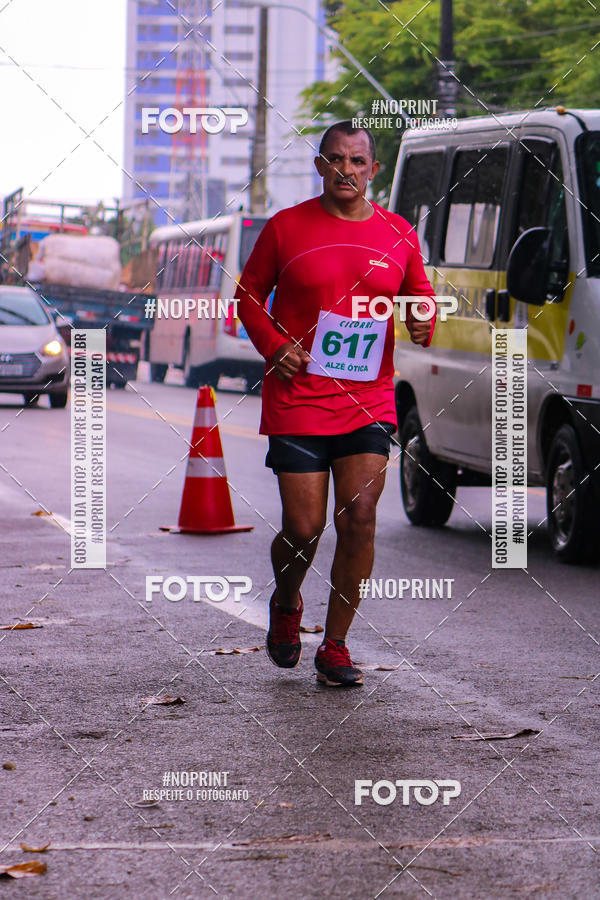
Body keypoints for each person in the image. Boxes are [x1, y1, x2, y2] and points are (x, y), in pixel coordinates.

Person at [235, 121, 435, 687]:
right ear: (320, 167)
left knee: (361, 517)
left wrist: (423, 317)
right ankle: (287, 599)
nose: (346, 170)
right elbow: (249, 296)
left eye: (357, 161)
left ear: (373, 170)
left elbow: (418, 293)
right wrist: (276, 348)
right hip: (299, 397)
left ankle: (337, 646)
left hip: (367, 398)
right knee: (303, 527)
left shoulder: (398, 233)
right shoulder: (286, 227)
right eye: (335, 160)